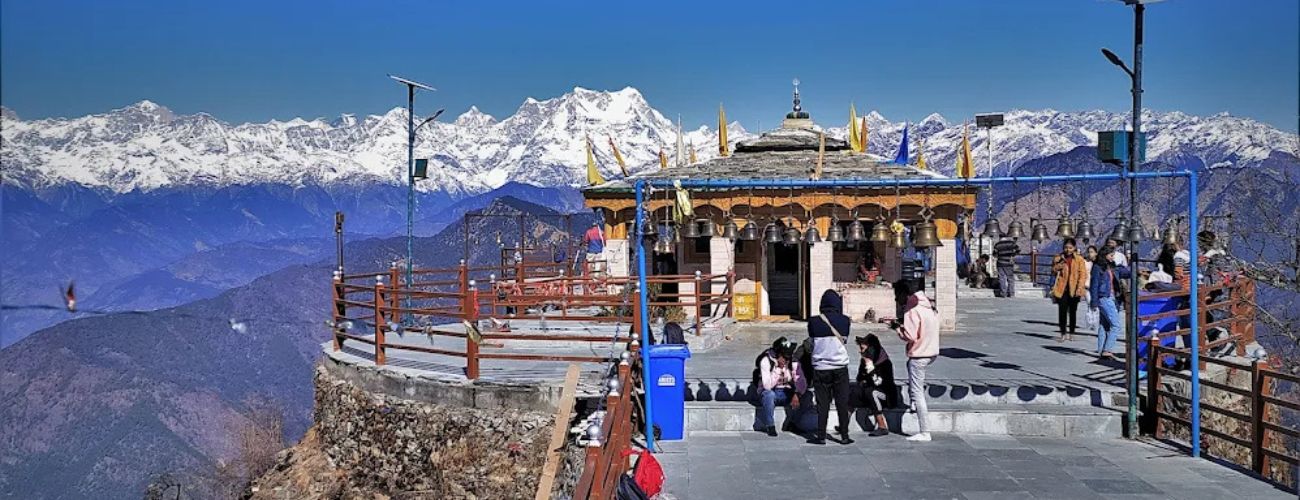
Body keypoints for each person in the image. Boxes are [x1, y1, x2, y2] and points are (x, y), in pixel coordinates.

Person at [803, 290, 854, 445]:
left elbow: (811, 341)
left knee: (822, 404)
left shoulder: (813, 321)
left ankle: (821, 436)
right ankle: (844, 436)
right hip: (840, 367)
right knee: (842, 402)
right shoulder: (845, 321)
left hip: (820, 368)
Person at [895, 284, 940, 442]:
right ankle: (913, 403)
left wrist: (898, 329)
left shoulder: (911, 310)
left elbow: (910, 335)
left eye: (897, 296)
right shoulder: (928, 306)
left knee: (917, 392)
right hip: (931, 351)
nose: (896, 300)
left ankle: (924, 431)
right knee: (911, 370)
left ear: (904, 295)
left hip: (920, 354)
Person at [753, 337, 808, 436]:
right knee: (769, 395)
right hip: (772, 391)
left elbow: (801, 381)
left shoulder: (793, 362)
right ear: (778, 355)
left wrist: (797, 393)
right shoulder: (766, 361)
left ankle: (791, 423)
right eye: (785, 357)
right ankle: (770, 425)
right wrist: (778, 370)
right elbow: (767, 386)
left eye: (788, 357)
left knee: (806, 396)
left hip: (787, 392)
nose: (787, 360)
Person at [1090, 247, 1132, 360]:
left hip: (1112, 297)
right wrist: (1093, 301)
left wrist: (1134, 267)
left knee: (1105, 325)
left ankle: (1101, 349)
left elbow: (1125, 272)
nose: (1112, 257)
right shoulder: (1098, 267)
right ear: (1105, 255)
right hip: (1104, 297)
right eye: (1111, 255)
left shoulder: (1112, 267)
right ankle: (1107, 350)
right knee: (1116, 325)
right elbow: (1094, 284)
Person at [855, 334, 899, 437]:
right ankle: (843, 424)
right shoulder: (864, 361)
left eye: (863, 349)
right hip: (869, 390)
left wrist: (870, 369)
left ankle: (882, 426)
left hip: (886, 395)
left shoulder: (885, 363)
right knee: (854, 392)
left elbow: (878, 383)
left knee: (872, 392)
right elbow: (859, 378)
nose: (861, 352)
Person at [1051, 238, 1089, 342]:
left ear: (1074, 248)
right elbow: (1053, 271)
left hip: (1074, 288)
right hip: (1062, 288)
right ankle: (1063, 333)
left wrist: (1080, 287)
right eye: (1066, 247)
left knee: (1073, 312)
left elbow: (1083, 274)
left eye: (1070, 248)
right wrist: (1059, 265)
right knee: (1062, 311)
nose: (1068, 250)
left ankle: (1072, 333)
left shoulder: (1079, 259)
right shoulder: (1058, 258)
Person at [1084, 245, 1099, 329]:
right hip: (1087, 284)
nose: (1090, 254)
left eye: (1092, 252)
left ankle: (1094, 321)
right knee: (1090, 303)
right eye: (1089, 252)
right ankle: (1090, 322)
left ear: (1096, 253)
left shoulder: (1097, 263)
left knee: (1095, 305)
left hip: (1095, 285)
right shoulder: (1085, 262)